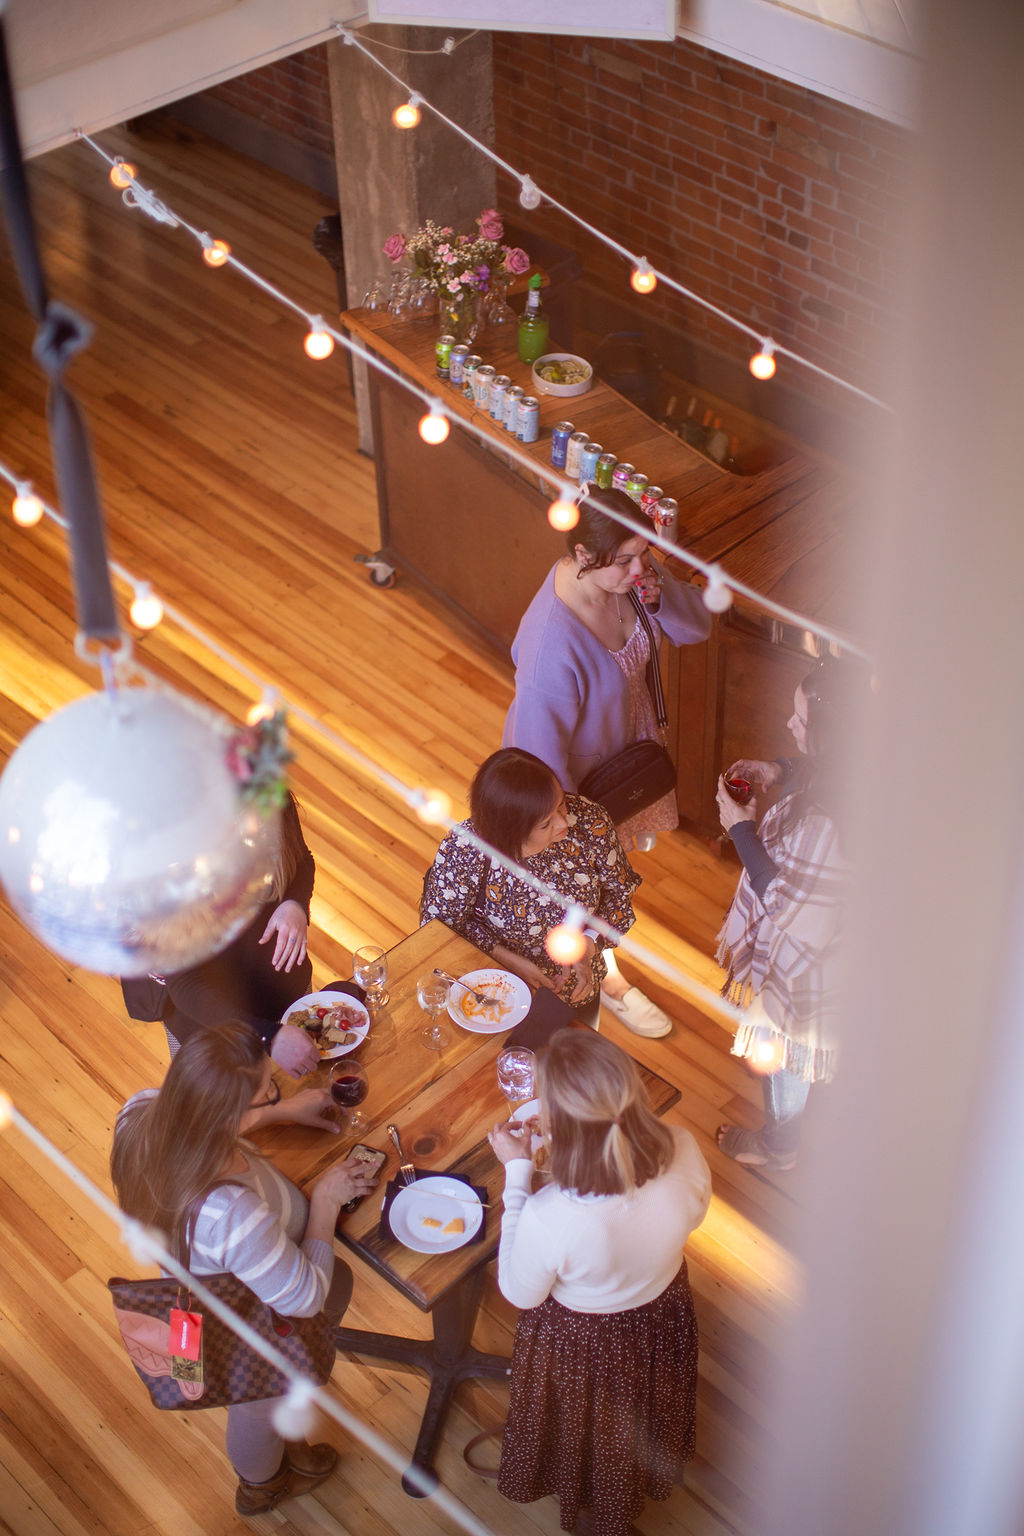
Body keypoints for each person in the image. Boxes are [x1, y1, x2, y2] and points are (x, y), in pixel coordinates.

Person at [111, 1020, 381, 1517]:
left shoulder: (143, 1110)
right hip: (247, 1329)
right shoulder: (232, 1215)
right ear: (227, 1115)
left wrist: (277, 1113)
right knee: (258, 1406)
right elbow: (305, 1298)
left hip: (202, 1286)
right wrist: (324, 1202)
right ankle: (262, 1482)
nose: (277, 1090)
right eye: (267, 1090)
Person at [487, 1028, 710, 1536]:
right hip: (662, 1313)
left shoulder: (552, 1216)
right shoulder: (682, 1145)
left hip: (587, 1342)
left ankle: (598, 1518)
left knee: (593, 1438)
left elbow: (520, 1293)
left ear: (558, 1127)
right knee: (644, 1412)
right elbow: (692, 1215)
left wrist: (518, 1175)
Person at [502, 490, 710, 1035]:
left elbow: (697, 629)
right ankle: (603, 977)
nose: (640, 567)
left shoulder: (630, 571)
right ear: (581, 554)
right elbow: (539, 763)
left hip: (627, 753)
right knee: (581, 884)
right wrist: (576, 834)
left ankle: (601, 961)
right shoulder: (552, 645)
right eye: (625, 560)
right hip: (575, 789)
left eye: (645, 553)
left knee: (610, 877)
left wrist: (658, 592)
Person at [714, 655, 860, 1170]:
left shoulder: (826, 824)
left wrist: (740, 829)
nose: (789, 725)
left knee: (788, 1049)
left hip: (809, 963)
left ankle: (781, 1146)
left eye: (802, 720)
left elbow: (787, 905)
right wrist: (781, 769)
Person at [420, 748, 641, 1029]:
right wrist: (506, 958)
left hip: (577, 988)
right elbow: (439, 929)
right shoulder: (467, 849)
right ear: (512, 832)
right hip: (494, 991)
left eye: (560, 803)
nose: (564, 822)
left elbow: (619, 896)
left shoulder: (588, 821)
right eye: (545, 823)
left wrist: (588, 946)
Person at [121, 792, 326, 1078]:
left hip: (287, 996)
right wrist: (270, 1037)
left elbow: (301, 858)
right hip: (214, 1028)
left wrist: (295, 903)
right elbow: (187, 987)